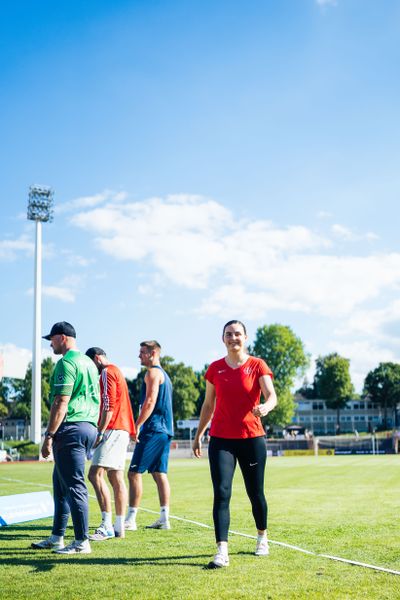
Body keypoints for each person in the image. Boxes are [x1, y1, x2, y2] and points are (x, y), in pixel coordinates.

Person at [192, 320, 277, 569]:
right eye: (228, 334)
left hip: (252, 438)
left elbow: (272, 396)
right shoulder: (215, 368)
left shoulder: (257, 365)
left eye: (237, 334)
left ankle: (262, 537)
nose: (233, 338)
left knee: (255, 493)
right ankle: (222, 550)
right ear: (223, 339)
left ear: (245, 337)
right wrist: (199, 435)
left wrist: (266, 407)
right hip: (221, 440)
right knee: (222, 493)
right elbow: (208, 405)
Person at [31, 321, 100, 555]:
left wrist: (49, 435)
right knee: (60, 486)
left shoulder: (66, 363)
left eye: (51, 339)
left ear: (62, 337)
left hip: (71, 428)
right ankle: (57, 537)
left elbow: (61, 402)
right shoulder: (89, 363)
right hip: (88, 425)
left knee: (74, 486)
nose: (50, 344)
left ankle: (82, 541)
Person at [85, 347, 136, 541]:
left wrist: (99, 431)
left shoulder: (106, 372)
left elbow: (108, 405)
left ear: (97, 359)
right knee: (116, 477)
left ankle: (106, 525)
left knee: (95, 474)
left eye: (92, 364)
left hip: (112, 428)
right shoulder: (118, 371)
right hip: (122, 429)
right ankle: (118, 526)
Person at [125, 340, 173, 531]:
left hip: (153, 429)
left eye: (142, 352)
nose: (139, 356)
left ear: (153, 353)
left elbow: (150, 401)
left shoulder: (152, 372)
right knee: (159, 473)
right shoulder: (165, 375)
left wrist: (137, 425)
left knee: (134, 473)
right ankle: (164, 518)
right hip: (165, 430)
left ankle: (130, 519)